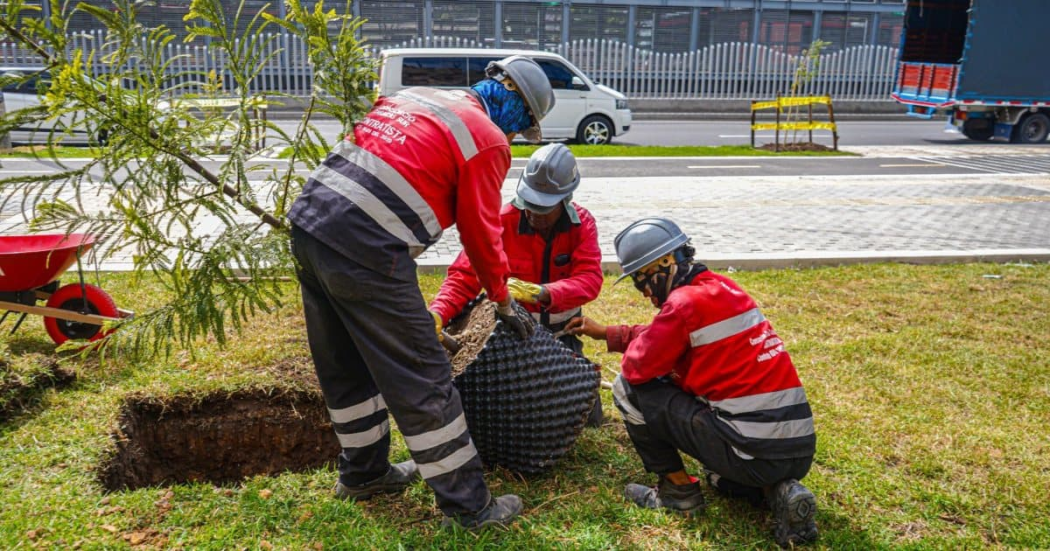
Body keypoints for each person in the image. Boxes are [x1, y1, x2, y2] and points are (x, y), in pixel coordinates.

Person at [286, 56, 555, 530]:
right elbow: (481, 233)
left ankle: (364, 474)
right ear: (513, 98)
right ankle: (470, 508)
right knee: (423, 375)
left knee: (344, 362)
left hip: (310, 224)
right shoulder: (487, 139)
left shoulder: (415, 97)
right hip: (365, 244)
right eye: (524, 126)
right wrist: (503, 300)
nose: (516, 136)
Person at [565, 217, 819, 548]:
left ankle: (677, 491)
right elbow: (671, 335)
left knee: (627, 388)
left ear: (663, 266)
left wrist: (669, 370)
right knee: (718, 478)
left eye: (641, 282)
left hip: (750, 451)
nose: (644, 294)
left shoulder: (682, 305)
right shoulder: (725, 289)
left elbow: (639, 366)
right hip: (798, 450)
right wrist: (609, 333)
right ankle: (780, 490)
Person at [428, 142, 605, 426]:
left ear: (565, 199)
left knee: (584, 417)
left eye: (543, 208)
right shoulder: (500, 222)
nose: (534, 214)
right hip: (511, 337)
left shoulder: (581, 225)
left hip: (561, 338)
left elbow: (591, 280)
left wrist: (543, 293)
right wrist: (439, 312)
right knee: (513, 415)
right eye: (529, 204)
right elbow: (464, 276)